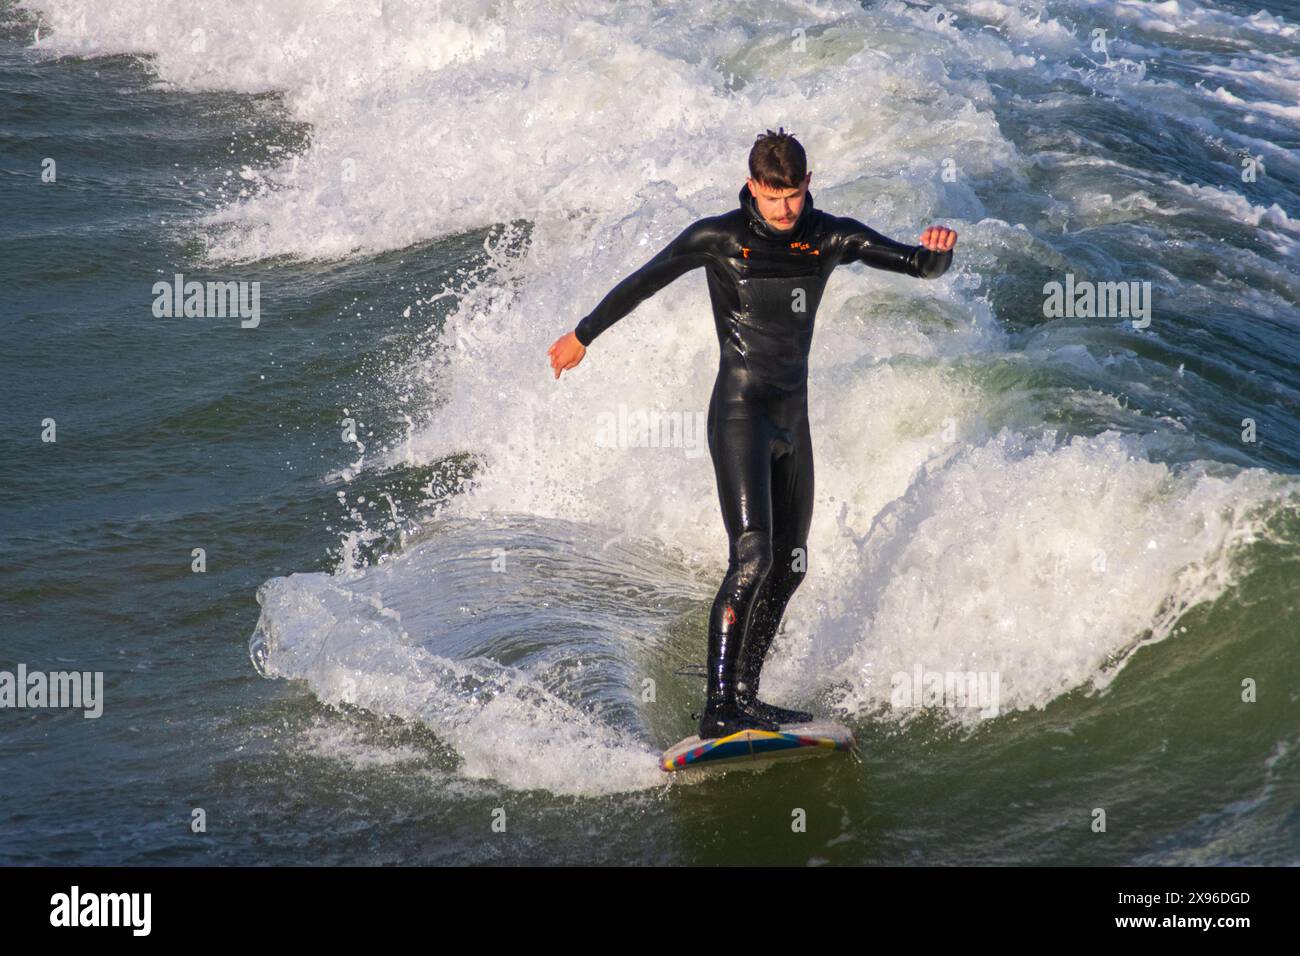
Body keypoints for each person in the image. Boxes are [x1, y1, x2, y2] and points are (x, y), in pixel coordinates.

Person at [547, 129, 958, 738]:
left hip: (793, 420)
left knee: (790, 566)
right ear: (752, 188)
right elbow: (644, 280)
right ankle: (717, 707)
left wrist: (937, 255)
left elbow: (915, 264)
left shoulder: (830, 237)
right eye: (772, 198)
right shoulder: (721, 239)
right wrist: (582, 335)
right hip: (740, 414)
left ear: (807, 185)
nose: (784, 210)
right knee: (753, 555)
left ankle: (746, 694)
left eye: (792, 196)